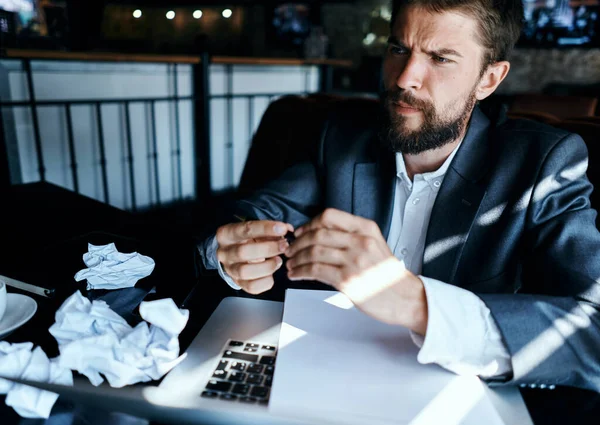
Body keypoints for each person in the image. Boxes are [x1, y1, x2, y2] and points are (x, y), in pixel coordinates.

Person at [199, 0, 600, 392]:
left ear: (489, 79)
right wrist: (232, 247)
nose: (405, 77)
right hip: (325, 377)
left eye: (440, 58)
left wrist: (415, 303)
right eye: (398, 49)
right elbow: (254, 214)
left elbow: (591, 333)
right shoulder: (341, 135)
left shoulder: (543, 163)